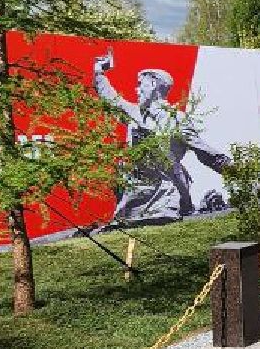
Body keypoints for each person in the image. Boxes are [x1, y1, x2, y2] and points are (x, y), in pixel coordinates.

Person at [92, 52, 230, 222]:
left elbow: (207, 154)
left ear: (153, 84)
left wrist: (241, 174)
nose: (136, 89)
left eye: (140, 84)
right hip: (135, 198)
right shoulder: (134, 113)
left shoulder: (177, 120)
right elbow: (110, 99)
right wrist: (99, 72)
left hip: (167, 194)